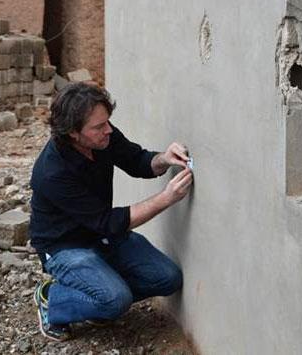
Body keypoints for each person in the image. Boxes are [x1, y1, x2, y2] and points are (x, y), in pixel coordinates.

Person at [29, 82, 193, 341]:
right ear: (73, 132)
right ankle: (53, 299)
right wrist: (166, 198)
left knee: (167, 278)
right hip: (65, 246)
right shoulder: (52, 173)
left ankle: (96, 297)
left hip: (101, 236)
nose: (108, 130)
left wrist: (164, 158)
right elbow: (108, 221)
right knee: (116, 300)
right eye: (98, 127)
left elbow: (136, 160)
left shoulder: (102, 137)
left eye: (107, 122)